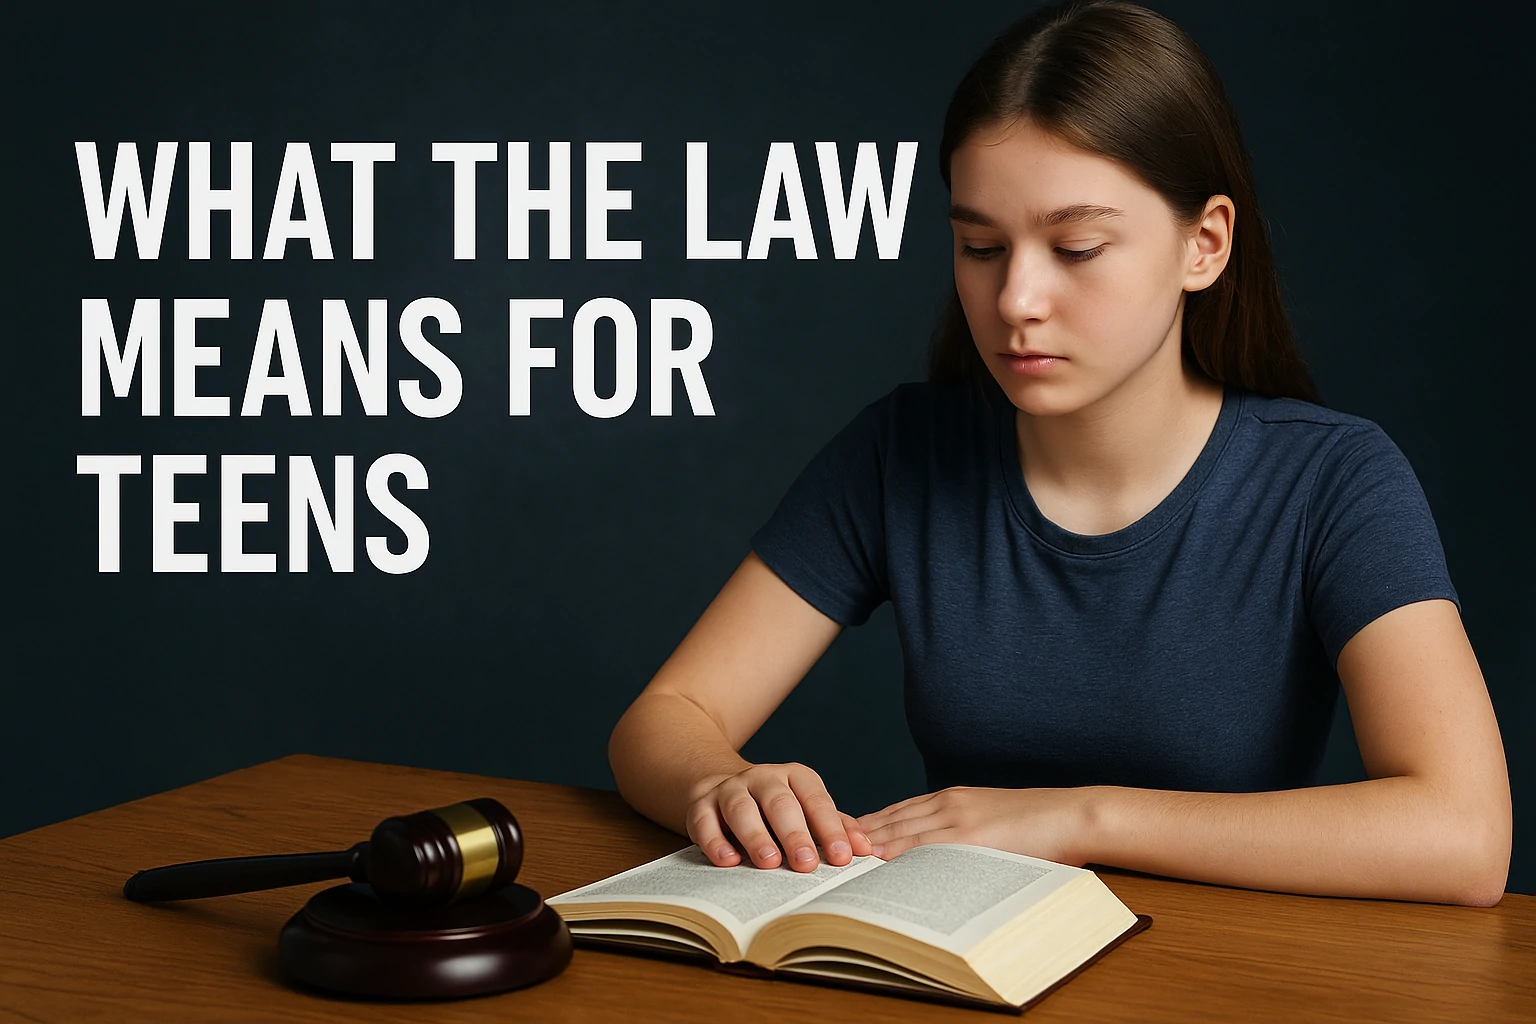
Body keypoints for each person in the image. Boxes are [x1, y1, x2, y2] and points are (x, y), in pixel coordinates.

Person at [606, 0, 1511, 905]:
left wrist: (1082, 818)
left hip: (1221, 975)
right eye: (980, 246)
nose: (1016, 300)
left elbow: (1464, 835)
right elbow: (667, 718)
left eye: (1075, 247)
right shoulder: (903, 451)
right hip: (962, 962)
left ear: (1205, 244)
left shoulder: (1332, 480)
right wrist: (720, 786)